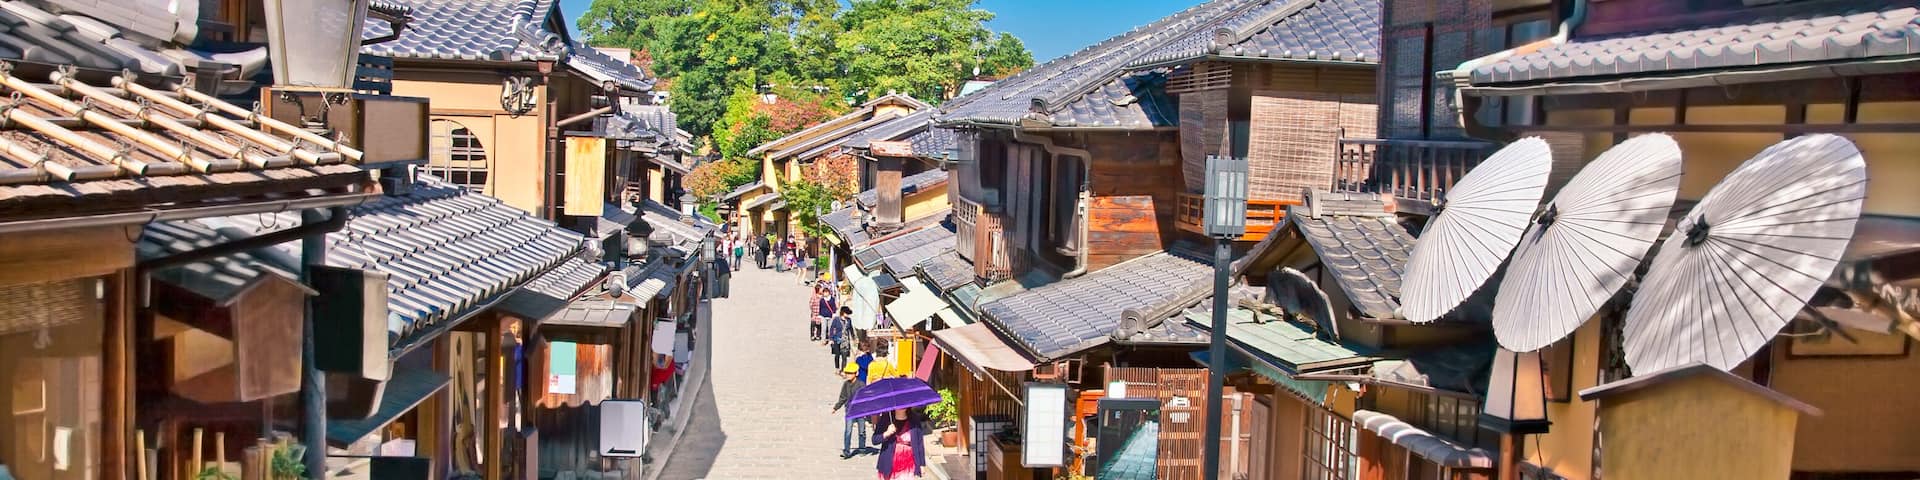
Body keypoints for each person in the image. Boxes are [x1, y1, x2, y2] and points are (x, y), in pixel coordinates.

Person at [834, 339, 877, 458]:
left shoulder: (864, 359)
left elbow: (867, 365)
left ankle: (862, 448)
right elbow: (843, 397)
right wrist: (836, 407)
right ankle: (847, 451)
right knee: (848, 431)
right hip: (850, 408)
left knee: (861, 431)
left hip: (863, 385)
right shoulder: (865, 359)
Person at [873, 408, 928, 479]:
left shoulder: (914, 419)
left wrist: (922, 464)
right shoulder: (886, 418)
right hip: (889, 462)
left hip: (908, 463)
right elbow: (874, 440)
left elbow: (919, 443)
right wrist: (886, 433)